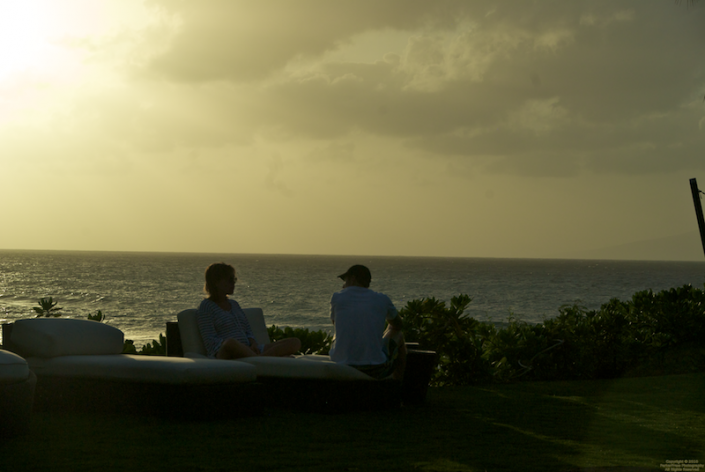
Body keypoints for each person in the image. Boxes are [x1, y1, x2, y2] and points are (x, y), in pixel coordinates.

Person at [197, 262, 301, 360]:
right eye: (229, 280)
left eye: (234, 279)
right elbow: (210, 341)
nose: (233, 283)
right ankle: (263, 360)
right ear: (216, 282)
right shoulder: (206, 306)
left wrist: (253, 344)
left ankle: (259, 359)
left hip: (249, 350)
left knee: (295, 342)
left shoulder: (234, 304)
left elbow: (247, 330)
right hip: (224, 352)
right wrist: (238, 347)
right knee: (230, 343)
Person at [329, 264, 406, 380]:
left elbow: (336, 324)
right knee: (398, 333)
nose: (343, 285)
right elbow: (398, 325)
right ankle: (398, 386)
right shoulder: (382, 299)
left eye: (345, 280)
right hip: (374, 369)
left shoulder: (337, 297)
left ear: (353, 278)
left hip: (342, 366)